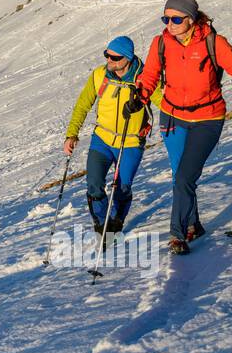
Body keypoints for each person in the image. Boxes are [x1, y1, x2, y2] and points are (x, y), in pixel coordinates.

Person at [124, 0, 232, 255]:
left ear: (191, 19)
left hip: (207, 118)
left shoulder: (212, 41)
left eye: (175, 18)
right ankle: (193, 224)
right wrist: (140, 96)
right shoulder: (161, 43)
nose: (169, 23)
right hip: (172, 116)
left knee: (185, 176)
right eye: (166, 18)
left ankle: (178, 234)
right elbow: (149, 75)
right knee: (180, 176)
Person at [63, 36, 161, 234]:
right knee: (94, 184)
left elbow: (166, 103)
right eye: (107, 56)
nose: (109, 61)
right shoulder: (100, 75)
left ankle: (116, 221)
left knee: (122, 187)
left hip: (131, 142)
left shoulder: (144, 79)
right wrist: (72, 134)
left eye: (114, 58)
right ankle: (101, 225)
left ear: (128, 58)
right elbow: (83, 104)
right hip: (102, 139)